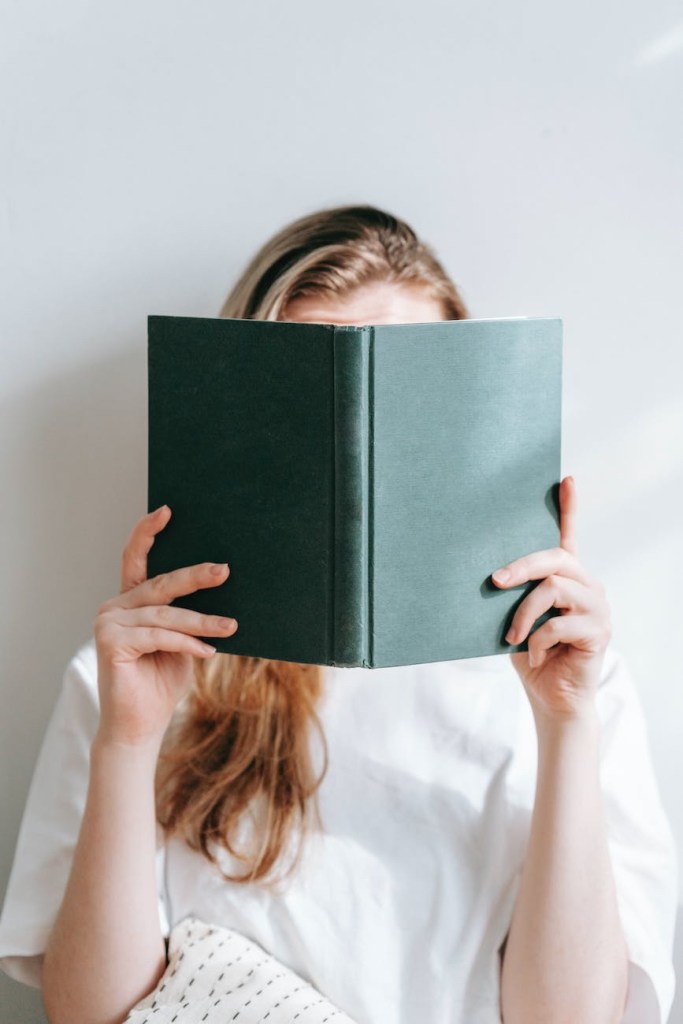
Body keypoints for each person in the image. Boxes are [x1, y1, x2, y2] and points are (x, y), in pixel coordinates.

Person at [0, 205, 677, 1024]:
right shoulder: (129, 679)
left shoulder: (571, 682)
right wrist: (129, 740)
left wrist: (564, 726)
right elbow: (86, 1015)